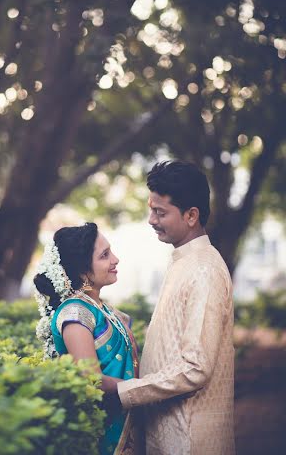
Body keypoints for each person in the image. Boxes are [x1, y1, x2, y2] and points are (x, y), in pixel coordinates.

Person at [118, 160, 235, 455]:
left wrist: (123, 390)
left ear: (191, 215)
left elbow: (196, 368)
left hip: (189, 440)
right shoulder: (184, 260)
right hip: (167, 433)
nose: (151, 220)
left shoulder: (204, 270)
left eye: (160, 212)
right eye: (151, 209)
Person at [34, 222, 141, 455]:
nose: (115, 259)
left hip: (129, 423)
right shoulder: (75, 313)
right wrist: (142, 389)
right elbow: (90, 379)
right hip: (104, 434)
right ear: (83, 272)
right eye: (104, 256)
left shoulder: (102, 309)